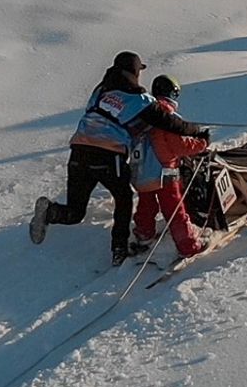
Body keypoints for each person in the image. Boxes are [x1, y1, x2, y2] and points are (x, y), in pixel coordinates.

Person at [29, 51, 209, 265]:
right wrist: (197, 131)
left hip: (78, 151)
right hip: (108, 155)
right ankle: (119, 249)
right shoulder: (138, 99)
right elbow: (171, 124)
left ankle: (51, 211)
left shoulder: (100, 91)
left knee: (76, 210)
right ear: (134, 71)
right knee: (123, 200)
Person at [131, 74, 211, 260]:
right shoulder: (166, 115)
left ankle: (144, 235)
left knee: (146, 205)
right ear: (172, 93)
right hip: (164, 170)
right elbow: (179, 146)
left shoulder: (144, 113)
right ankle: (188, 245)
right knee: (175, 208)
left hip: (142, 169)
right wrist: (202, 143)